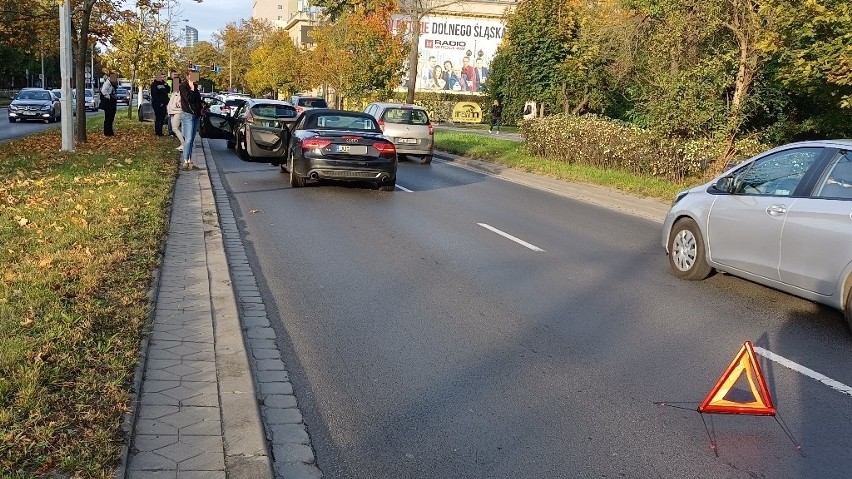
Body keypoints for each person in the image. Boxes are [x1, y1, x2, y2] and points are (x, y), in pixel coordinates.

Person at [179, 71, 203, 170]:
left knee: (192, 139)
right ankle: (185, 161)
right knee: (188, 139)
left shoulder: (196, 87)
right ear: (187, 76)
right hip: (188, 114)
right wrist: (192, 89)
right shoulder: (183, 86)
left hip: (196, 115)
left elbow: (197, 99)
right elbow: (189, 99)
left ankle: (189, 161)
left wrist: (203, 104)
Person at [167, 75, 184, 152]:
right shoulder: (174, 91)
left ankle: (184, 144)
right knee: (174, 129)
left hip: (178, 111)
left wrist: (178, 105)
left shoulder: (182, 91)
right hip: (172, 111)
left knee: (175, 128)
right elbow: (171, 102)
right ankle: (183, 144)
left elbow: (183, 101)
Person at [100, 72, 119, 136]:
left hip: (111, 102)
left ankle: (110, 131)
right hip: (108, 103)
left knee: (111, 118)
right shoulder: (107, 84)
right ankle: (107, 132)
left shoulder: (111, 84)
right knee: (108, 118)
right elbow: (103, 91)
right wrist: (109, 97)